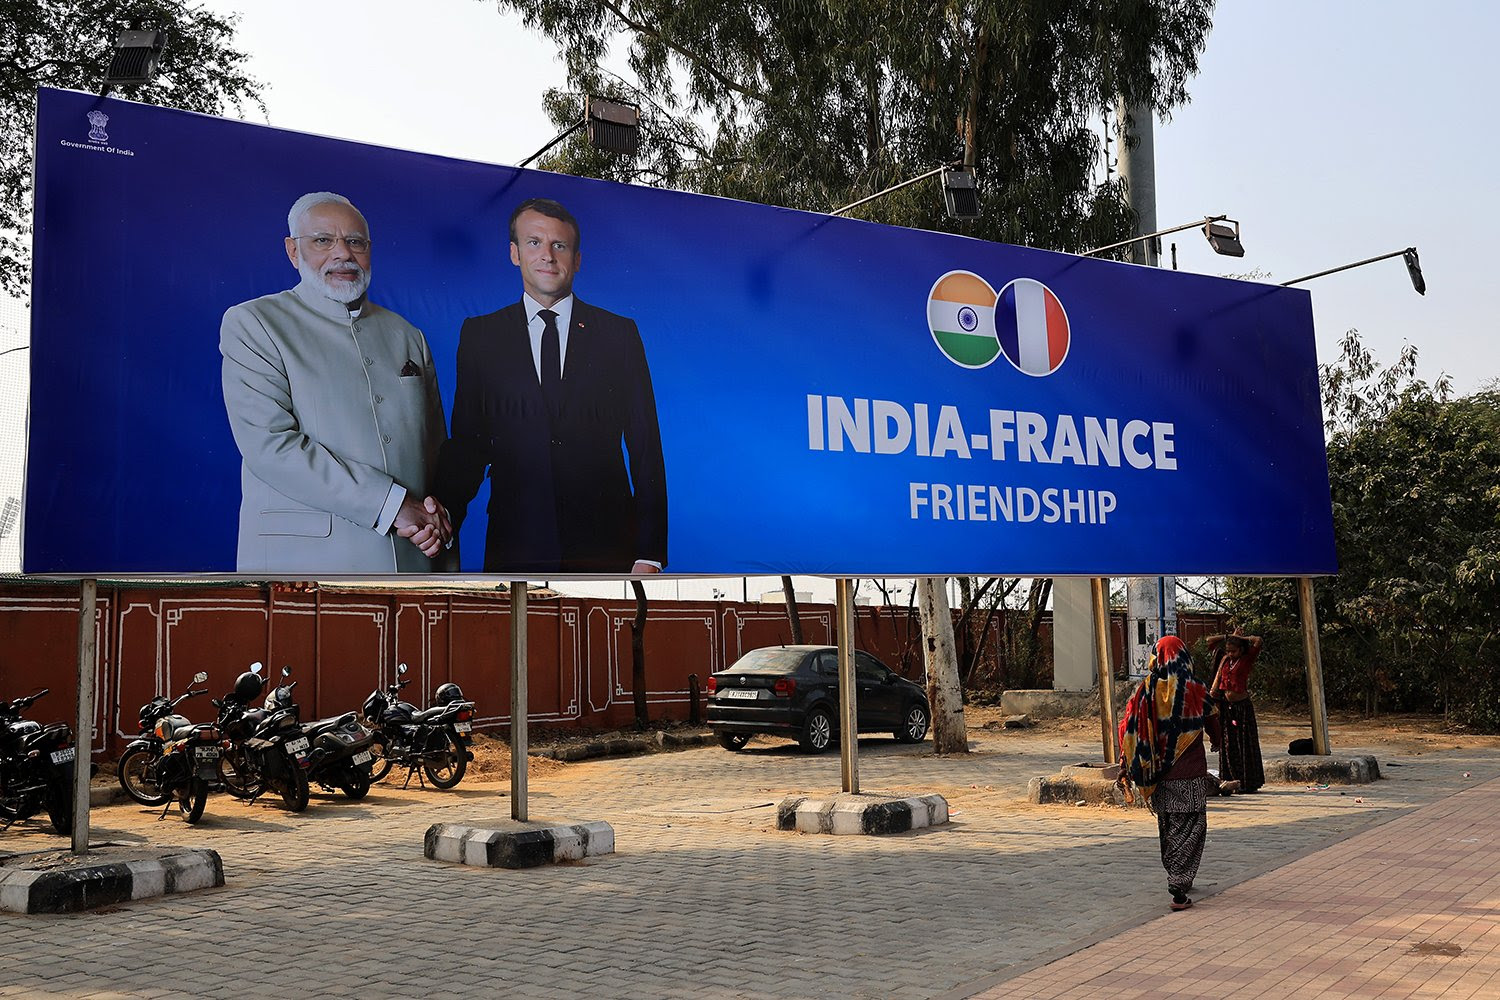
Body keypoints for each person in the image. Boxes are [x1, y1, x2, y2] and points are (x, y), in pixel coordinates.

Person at [220, 191, 454, 573]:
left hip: (414, 558)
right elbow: (271, 446)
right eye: (323, 240)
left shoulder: (407, 335)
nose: (343, 253)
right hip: (303, 568)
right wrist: (394, 505)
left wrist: (434, 518)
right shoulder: (256, 324)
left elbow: (435, 452)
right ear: (293, 251)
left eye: (355, 242)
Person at [435, 197, 667, 574]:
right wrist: (443, 511)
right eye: (534, 243)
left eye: (559, 245)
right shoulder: (480, 335)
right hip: (515, 541)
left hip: (607, 543)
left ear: (576, 259)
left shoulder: (618, 334)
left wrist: (649, 552)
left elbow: (645, 447)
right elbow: (468, 444)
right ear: (514, 253)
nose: (547, 255)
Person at [1118, 635, 1223, 912]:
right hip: (1190, 772)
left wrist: (1126, 763)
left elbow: (1128, 729)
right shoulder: (1196, 689)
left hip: (1158, 773)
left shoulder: (1145, 691)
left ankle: (1176, 872)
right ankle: (1179, 881)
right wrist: (1217, 739)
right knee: (1191, 826)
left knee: (1168, 824)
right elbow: (1214, 720)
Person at [1208, 629, 1265, 793]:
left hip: (1242, 708)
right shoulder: (1225, 661)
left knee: (1244, 744)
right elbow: (1209, 640)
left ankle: (1247, 782)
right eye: (1228, 651)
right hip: (1227, 707)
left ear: (1241, 650)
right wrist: (1227, 637)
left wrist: (1240, 637)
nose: (1230, 654)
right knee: (1229, 744)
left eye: (1234, 651)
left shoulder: (1247, 659)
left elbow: (1258, 640)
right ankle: (1231, 779)